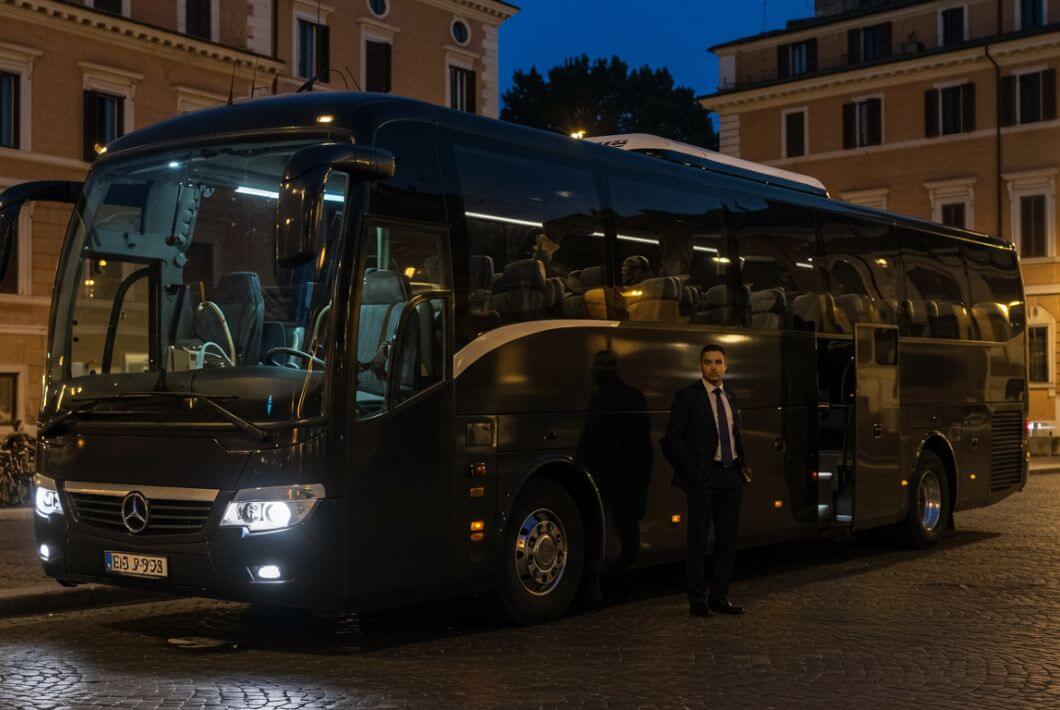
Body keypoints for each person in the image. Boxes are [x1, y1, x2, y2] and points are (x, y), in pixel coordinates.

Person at [662, 344, 749, 618]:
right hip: (705, 477)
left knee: (727, 539)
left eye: (718, 362)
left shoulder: (730, 396)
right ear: (700, 365)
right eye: (708, 362)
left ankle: (720, 596)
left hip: (731, 475)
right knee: (698, 541)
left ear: (726, 365)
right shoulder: (687, 396)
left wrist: (741, 468)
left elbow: (734, 433)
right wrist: (695, 474)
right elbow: (672, 440)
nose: (713, 367)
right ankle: (698, 600)